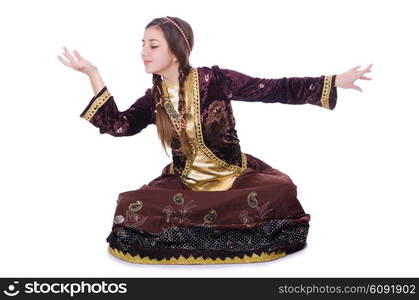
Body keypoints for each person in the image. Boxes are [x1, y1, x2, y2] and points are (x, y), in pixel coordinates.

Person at [58, 16, 373, 264]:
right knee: (129, 204)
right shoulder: (154, 97)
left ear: (176, 50)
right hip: (186, 184)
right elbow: (119, 126)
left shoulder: (215, 80)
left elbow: (274, 88)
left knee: (282, 191)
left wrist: (333, 82)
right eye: (142, 44)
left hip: (235, 179)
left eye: (152, 45)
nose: (143, 51)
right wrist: (93, 74)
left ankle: (208, 225)